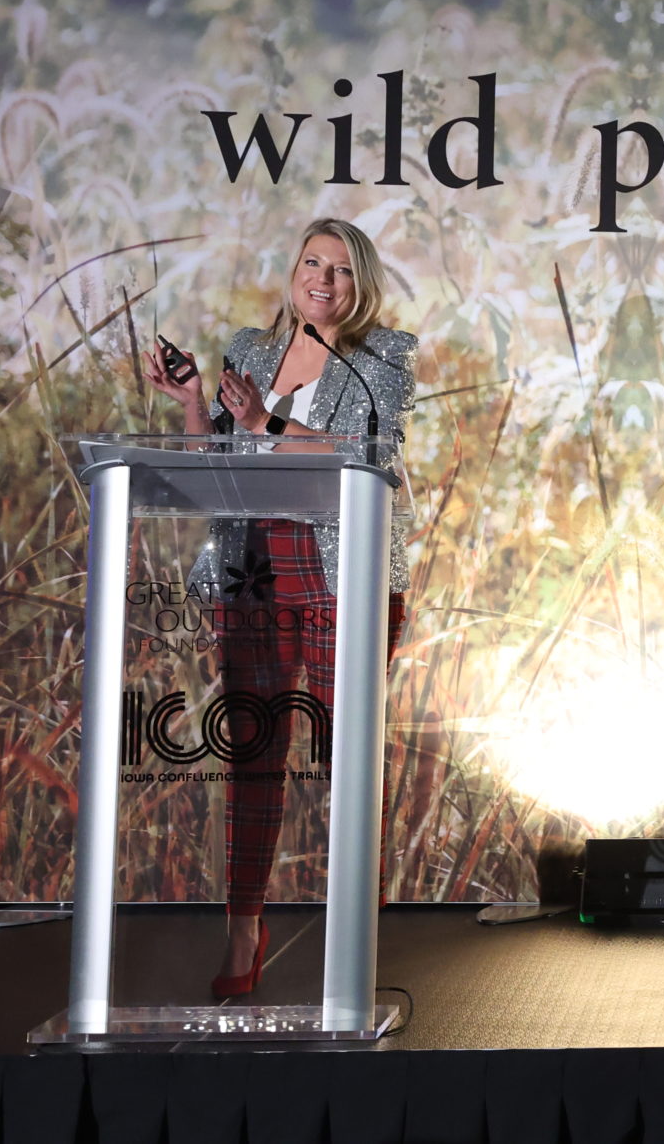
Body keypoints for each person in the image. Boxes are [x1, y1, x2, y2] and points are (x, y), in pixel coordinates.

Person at [141, 217, 418, 996]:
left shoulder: (382, 358)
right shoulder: (250, 351)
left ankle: (349, 937)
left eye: (340, 268)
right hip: (253, 566)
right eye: (311, 262)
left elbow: (366, 452)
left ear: (360, 284)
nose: (322, 279)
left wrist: (268, 422)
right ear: (292, 270)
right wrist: (196, 402)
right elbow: (214, 461)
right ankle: (243, 929)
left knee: (345, 758)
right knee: (253, 755)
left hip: (343, 569)